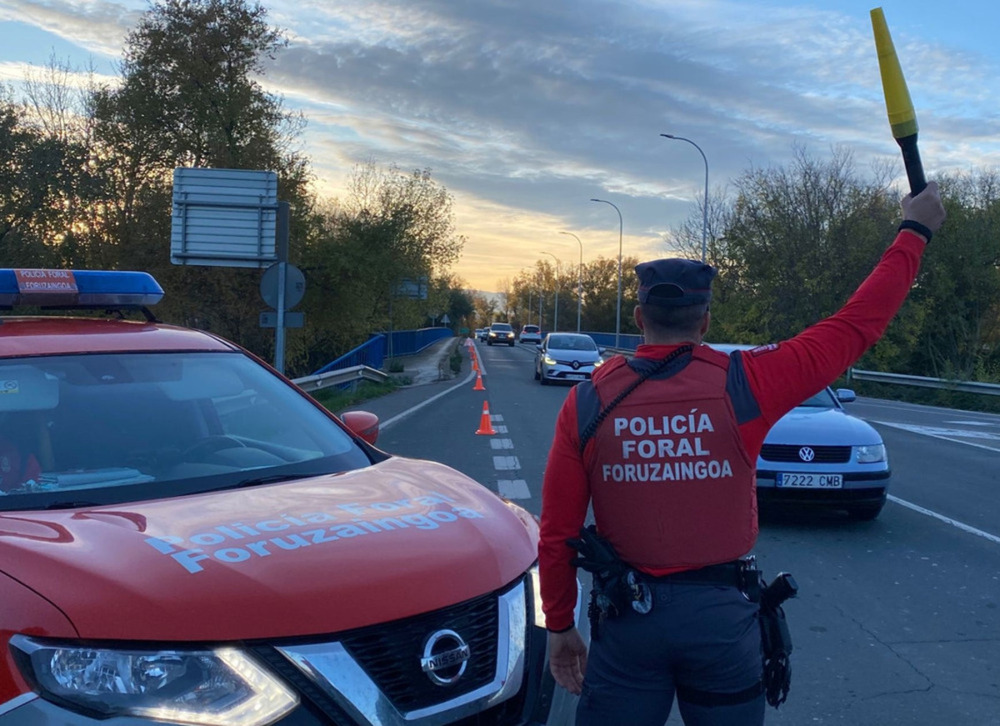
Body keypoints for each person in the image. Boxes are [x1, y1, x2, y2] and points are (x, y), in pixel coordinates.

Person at [538, 182, 946, 725]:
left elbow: (558, 533)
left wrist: (561, 626)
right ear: (705, 321)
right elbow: (855, 325)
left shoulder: (587, 400)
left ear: (639, 320)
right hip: (723, 624)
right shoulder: (747, 383)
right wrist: (913, 231)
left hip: (628, 621)